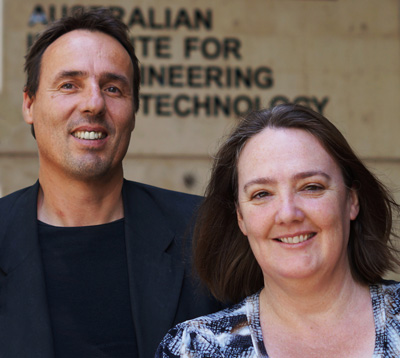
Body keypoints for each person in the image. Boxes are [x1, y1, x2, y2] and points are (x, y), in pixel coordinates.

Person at [0, 8, 222, 358]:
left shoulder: (204, 233)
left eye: (113, 88)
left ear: (133, 110)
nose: (93, 103)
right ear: (29, 103)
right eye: (69, 85)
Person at [156, 104, 400, 357]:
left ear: (352, 200)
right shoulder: (194, 348)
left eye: (311, 187)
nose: (288, 214)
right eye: (262, 194)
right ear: (240, 217)